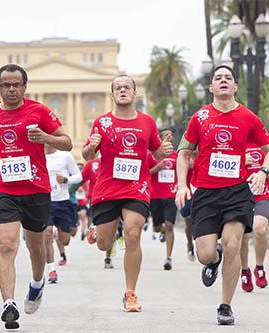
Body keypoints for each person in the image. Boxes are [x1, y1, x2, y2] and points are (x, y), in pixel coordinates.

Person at [0, 64, 72, 329]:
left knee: (36, 246)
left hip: (36, 190)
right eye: (6, 85)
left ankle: (37, 283)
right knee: (6, 244)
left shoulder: (39, 111)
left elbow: (67, 142)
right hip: (3, 189)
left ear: (24, 87)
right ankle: (9, 303)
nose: (11, 89)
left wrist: (46, 136)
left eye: (16, 84)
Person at [175, 65, 269, 325]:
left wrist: (263, 171)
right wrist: (182, 184)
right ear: (211, 87)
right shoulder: (199, 118)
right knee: (206, 254)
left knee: (234, 245)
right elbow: (184, 153)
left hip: (236, 192)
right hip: (206, 193)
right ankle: (214, 259)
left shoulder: (248, 117)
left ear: (234, 87)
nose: (223, 81)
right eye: (218, 78)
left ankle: (225, 306)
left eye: (228, 78)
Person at [82, 74, 173, 312]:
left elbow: (157, 153)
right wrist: (91, 146)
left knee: (133, 233)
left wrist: (163, 151)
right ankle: (97, 230)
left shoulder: (147, 122)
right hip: (107, 188)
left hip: (136, 187)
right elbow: (88, 157)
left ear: (134, 93)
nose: (123, 90)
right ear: (112, 95)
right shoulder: (102, 122)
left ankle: (130, 293)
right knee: (104, 244)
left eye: (127, 87)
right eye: (118, 88)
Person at [239, 142, 269, 292]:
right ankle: (244, 270)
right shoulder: (235, 138)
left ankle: (259, 267)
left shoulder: (263, 142)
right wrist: (241, 160)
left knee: (259, 229)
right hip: (241, 196)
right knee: (243, 236)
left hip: (263, 194)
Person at [44, 144, 81, 282]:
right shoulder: (36, 155)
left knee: (65, 240)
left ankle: (55, 234)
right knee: (46, 233)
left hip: (63, 202)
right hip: (45, 201)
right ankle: (51, 269)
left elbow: (79, 176)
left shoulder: (65, 156)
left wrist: (66, 180)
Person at [148, 129, 178, 270]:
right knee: (157, 227)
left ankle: (169, 258)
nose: (170, 137)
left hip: (171, 195)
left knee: (170, 225)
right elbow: (144, 174)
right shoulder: (152, 156)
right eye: (166, 135)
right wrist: (156, 169)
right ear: (160, 139)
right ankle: (161, 232)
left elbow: (185, 171)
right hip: (155, 195)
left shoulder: (177, 156)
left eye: (171, 135)